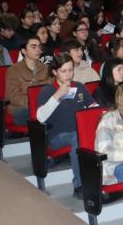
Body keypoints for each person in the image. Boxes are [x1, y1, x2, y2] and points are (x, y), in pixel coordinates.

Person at [37, 53, 97, 196]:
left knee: (89, 135)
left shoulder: (80, 87)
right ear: (54, 72)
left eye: (70, 70)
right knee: (77, 138)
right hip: (57, 136)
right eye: (63, 71)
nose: (68, 74)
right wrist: (57, 96)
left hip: (79, 133)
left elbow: (93, 106)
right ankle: (79, 186)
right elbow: (40, 117)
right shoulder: (47, 91)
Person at [5, 37, 51, 124]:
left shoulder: (46, 69)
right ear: (24, 51)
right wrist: (35, 102)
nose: (38, 49)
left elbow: (52, 89)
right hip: (22, 108)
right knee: (35, 112)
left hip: (42, 106)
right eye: (33, 47)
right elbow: (13, 97)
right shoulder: (13, 70)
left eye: (39, 47)